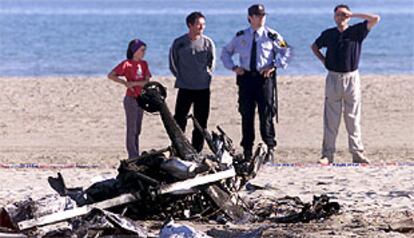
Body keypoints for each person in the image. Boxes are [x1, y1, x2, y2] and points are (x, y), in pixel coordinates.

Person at [311, 4, 380, 165]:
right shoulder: (329, 34)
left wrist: (353, 14)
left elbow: (375, 19)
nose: (340, 18)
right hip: (333, 78)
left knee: (353, 118)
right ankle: (327, 154)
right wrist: (324, 60)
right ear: (334, 17)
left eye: (343, 15)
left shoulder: (356, 31)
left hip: (352, 78)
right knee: (331, 119)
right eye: (338, 15)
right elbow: (314, 47)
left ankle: (357, 153)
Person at [221, 4, 291, 163]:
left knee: (266, 114)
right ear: (250, 18)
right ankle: (247, 149)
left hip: (264, 79)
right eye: (257, 16)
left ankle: (269, 147)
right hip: (246, 79)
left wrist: (274, 66)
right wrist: (233, 67)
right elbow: (226, 52)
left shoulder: (272, 35)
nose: (261, 18)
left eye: (263, 15)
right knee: (246, 114)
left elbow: (286, 51)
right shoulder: (241, 36)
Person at [169, 11, 216, 153]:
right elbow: (173, 64)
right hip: (185, 87)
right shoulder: (179, 43)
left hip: (203, 88)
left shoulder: (208, 43)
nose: (201, 27)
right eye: (198, 24)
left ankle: (197, 151)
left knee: (201, 122)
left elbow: (211, 63)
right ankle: (178, 149)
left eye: (203, 24)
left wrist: (205, 77)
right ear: (190, 25)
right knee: (179, 120)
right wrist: (183, 77)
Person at [108, 38, 151, 159]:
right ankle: (132, 155)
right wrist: (124, 83)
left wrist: (135, 84)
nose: (144, 52)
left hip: (141, 99)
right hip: (131, 99)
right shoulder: (126, 64)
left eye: (144, 50)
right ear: (135, 51)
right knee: (131, 128)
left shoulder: (144, 64)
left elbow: (147, 81)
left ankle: (136, 152)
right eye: (142, 50)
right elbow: (111, 75)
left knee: (138, 128)